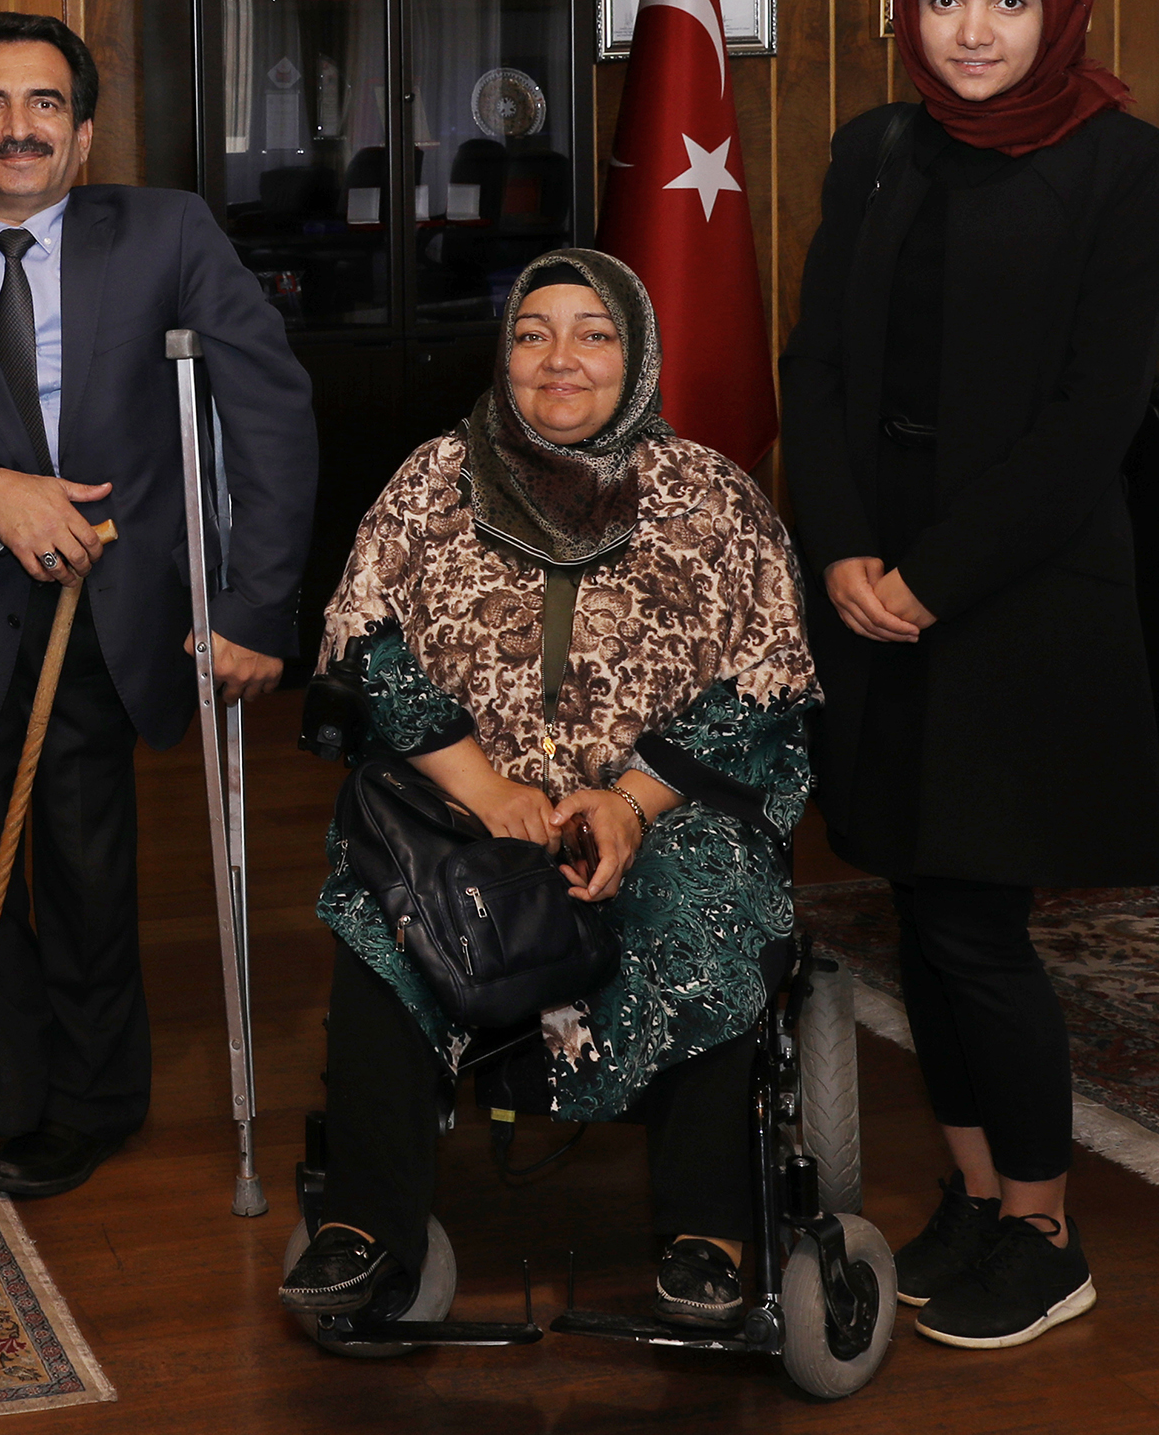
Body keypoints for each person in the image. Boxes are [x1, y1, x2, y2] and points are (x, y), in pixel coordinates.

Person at [778, 0, 1159, 1350]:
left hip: (1012, 596)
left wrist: (931, 575)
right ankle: (970, 1191)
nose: (971, 29)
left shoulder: (1124, 164)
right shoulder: (874, 149)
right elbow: (816, 364)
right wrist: (838, 550)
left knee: (974, 920)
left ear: (1057, 8)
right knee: (914, 900)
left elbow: (1091, 417)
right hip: (868, 586)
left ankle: (1043, 1230)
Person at [278, 248, 817, 1332]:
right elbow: (362, 643)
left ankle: (705, 1235)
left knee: (702, 897)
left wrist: (627, 801)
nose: (559, 358)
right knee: (388, 910)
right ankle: (367, 1221)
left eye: (593, 334)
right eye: (533, 334)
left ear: (637, 355)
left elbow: (764, 682)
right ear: (505, 354)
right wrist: (485, 788)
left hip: (662, 807)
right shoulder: (433, 478)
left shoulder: (714, 494)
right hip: (461, 797)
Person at [0, 11, 314, 1199]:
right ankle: (10, 1091)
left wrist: (258, 605)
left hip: (110, 611)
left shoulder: (167, 232)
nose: (16, 127)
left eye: (44, 104)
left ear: (83, 134)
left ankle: (91, 1099)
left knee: (84, 864)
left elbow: (269, 411)